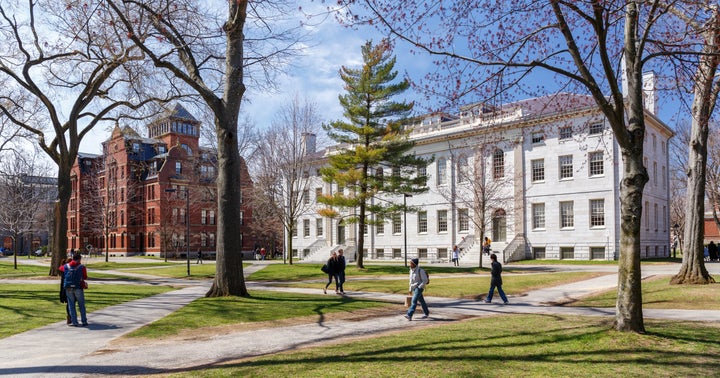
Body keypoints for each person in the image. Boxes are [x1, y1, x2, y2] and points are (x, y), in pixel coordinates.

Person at [59, 253, 88, 326]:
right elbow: (85, 277)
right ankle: (84, 321)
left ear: (72, 258)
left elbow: (60, 268)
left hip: (68, 287)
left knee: (71, 305)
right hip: (78, 287)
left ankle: (74, 322)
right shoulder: (82, 267)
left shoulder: (66, 266)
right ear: (79, 259)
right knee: (81, 305)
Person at [58, 258, 71, 325]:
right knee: (71, 303)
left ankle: (69, 316)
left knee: (68, 303)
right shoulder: (69, 269)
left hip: (64, 288)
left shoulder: (62, 268)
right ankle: (70, 316)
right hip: (70, 288)